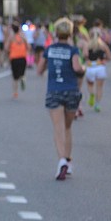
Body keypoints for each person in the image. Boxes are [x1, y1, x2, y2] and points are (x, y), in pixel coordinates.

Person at [37, 16, 85, 181]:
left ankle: (62, 161)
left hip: (54, 91)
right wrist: (82, 70)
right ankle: (68, 161)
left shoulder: (49, 49)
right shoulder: (73, 50)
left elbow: (39, 69)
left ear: (56, 33)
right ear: (70, 33)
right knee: (67, 127)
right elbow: (77, 67)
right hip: (71, 91)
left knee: (58, 128)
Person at [82, 26, 111, 112]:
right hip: (100, 67)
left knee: (90, 84)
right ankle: (97, 104)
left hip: (90, 67)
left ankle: (91, 94)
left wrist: (87, 59)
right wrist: (104, 60)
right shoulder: (103, 45)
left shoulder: (87, 45)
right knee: (99, 87)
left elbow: (85, 55)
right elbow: (110, 57)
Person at [7, 22, 30, 99]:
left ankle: (15, 92)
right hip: (22, 58)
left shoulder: (11, 38)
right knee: (22, 73)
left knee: (14, 77)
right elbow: (28, 47)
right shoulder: (23, 37)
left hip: (14, 58)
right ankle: (23, 78)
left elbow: (6, 48)